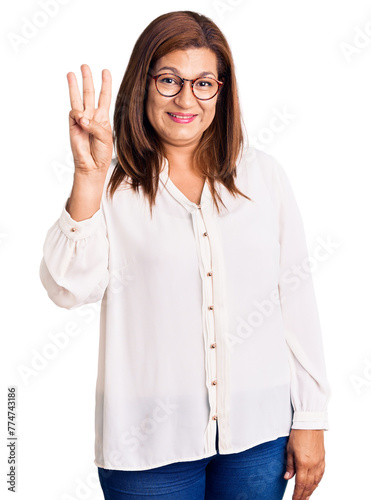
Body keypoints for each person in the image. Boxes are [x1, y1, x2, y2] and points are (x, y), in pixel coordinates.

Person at [39, 10, 331, 500]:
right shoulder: (112, 185)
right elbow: (69, 288)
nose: (185, 99)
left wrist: (313, 418)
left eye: (203, 83)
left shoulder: (264, 177)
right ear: (144, 83)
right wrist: (88, 177)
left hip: (259, 437)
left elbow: (295, 302)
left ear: (223, 89)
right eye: (169, 79)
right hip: (147, 445)